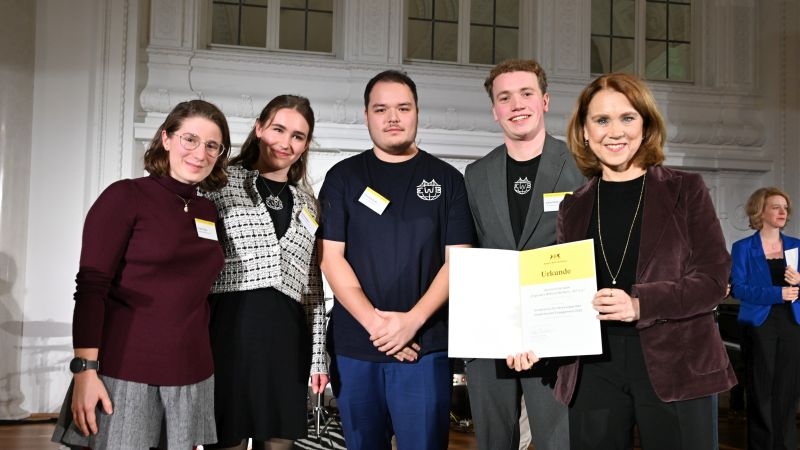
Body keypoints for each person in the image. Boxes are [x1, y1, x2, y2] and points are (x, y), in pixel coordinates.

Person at [555, 72, 737, 449]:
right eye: (601, 120)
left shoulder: (686, 189)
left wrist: (641, 304)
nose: (614, 131)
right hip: (593, 366)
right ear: (585, 132)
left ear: (646, 124)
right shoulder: (573, 206)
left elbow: (713, 279)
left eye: (627, 117)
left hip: (678, 360)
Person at [51, 99, 230, 449]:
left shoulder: (208, 211)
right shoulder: (125, 197)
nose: (200, 152)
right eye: (189, 139)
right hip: (125, 372)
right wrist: (85, 370)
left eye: (212, 145)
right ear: (166, 138)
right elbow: (91, 288)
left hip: (191, 375)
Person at [317, 70, 476, 450]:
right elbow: (331, 258)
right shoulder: (343, 177)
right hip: (357, 345)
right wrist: (379, 326)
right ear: (366, 114)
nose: (393, 117)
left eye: (403, 107)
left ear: (417, 112)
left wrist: (411, 323)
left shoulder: (448, 180)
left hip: (424, 345)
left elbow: (459, 263)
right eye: (381, 108)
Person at [463, 58, 583, 450]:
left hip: (558, 332)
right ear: (495, 110)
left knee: (557, 442)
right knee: (493, 442)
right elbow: (474, 251)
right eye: (505, 97)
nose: (517, 104)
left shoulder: (582, 168)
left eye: (526, 93)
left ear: (545, 101)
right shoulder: (476, 173)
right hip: (492, 333)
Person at [203, 95, 328, 450]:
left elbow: (313, 287)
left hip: (287, 340)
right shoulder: (217, 183)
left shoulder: (309, 204)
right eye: (278, 129)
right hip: (228, 332)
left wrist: (319, 356)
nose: (286, 143)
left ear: (305, 145)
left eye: (298, 136)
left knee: (278, 441)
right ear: (259, 128)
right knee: (227, 438)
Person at [730, 187, 800, 450]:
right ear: (760, 211)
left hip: (793, 323)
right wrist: (777, 292)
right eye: (775, 207)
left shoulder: (797, 246)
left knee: (788, 392)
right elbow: (739, 287)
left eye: (785, 208)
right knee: (761, 392)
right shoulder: (743, 248)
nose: (783, 212)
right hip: (759, 325)